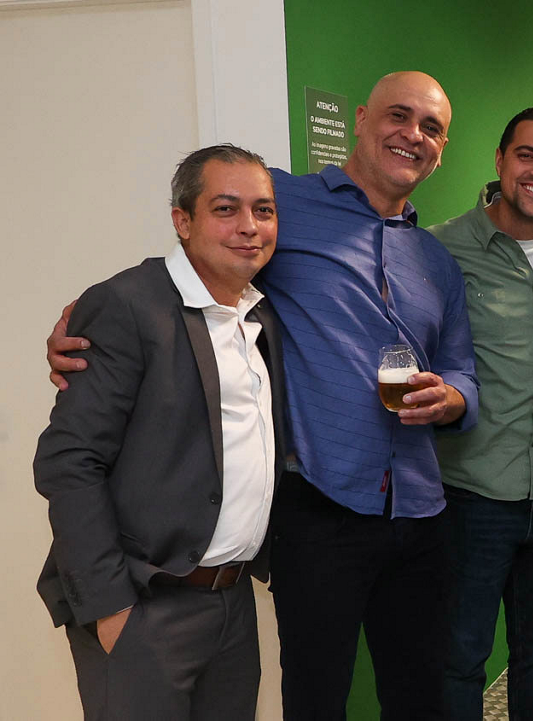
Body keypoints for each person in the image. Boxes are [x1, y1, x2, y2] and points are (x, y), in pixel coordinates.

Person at [45, 71, 479, 720]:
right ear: (362, 119)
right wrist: (86, 319)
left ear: (442, 149)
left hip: (419, 509)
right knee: (315, 697)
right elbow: (192, 263)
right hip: (319, 507)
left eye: (432, 128)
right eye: (398, 115)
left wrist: (455, 398)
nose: (413, 134)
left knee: (423, 696)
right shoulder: (281, 201)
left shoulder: (435, 259)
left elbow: (461, 367)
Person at [34, 144, 288, 720]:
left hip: (232, 605)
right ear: (183, 220)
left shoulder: (260, 314)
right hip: (144, 606)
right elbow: (68, 461)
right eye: (225, 209)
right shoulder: (127, 305)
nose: (249, 226)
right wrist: (111, 610)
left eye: (264, 210)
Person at [427, 107, 533, 719]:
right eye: (526, 155)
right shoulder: (440, 248)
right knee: (459, 659)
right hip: (471, 497)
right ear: (500, 160)